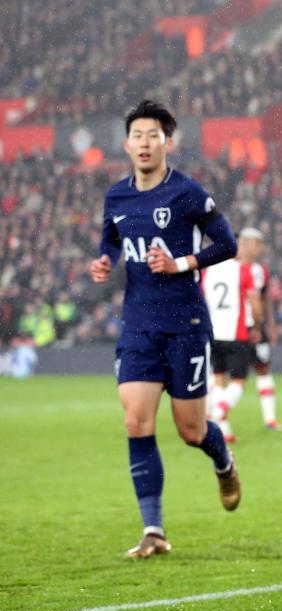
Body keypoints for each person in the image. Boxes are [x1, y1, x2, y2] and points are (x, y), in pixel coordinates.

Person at [89, 99, 241, 559]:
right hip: (138, 325)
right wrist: (104, 262)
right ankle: (153, 529)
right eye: (137, 136)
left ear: (167, 142)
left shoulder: (188, 193)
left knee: (191, 431)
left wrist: (182, 263)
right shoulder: (116, 196)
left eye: (153, 135)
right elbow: (110, 239)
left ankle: (224, 461)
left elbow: (228, 243)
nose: (145, 143)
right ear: (126, 144)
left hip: (186, 323)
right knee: (136, 421)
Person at [202, 228, 263, 443]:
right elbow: (255, 304)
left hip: (213, 334)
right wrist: (257, 326)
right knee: (238, 382)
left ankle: (223, 430)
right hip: (236, 334)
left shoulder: (207, 271)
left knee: (218, 379)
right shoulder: (243, 270)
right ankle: (217, 413)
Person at [242, 228, 282, 431]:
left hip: (255, 327)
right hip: (236, 327)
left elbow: (265, 300)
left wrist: (271, 326)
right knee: (223, 374)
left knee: (262, 368)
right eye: (257, 244)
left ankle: (270, 418)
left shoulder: (261, 269)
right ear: (246, 244)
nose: (260, 248)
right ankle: (216, 417)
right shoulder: (228, 267)